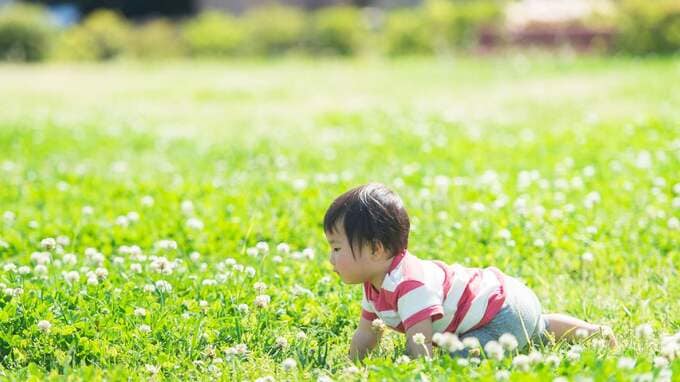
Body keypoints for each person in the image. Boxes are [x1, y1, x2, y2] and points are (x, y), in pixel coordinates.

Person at [323, 183, 617, 361]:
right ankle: (590, 333)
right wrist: (352, 366)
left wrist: (415, 369)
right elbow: (366, 336)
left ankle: (558, 332)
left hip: (502, 310)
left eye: (337, 249)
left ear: (376, 250)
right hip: (505, 299)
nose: (331, 258)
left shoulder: (409, 285)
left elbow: (420, 345)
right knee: (536, 330)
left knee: (454, 356)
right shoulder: (374, 283)